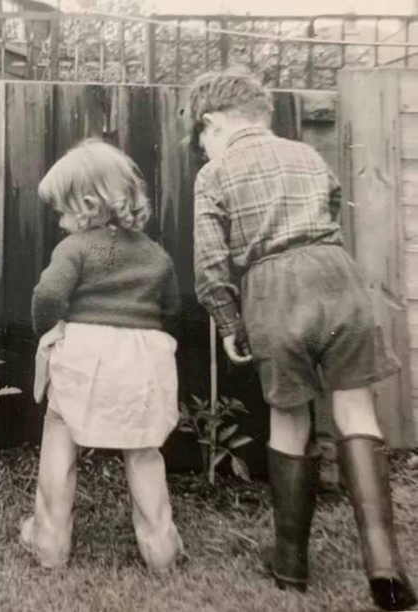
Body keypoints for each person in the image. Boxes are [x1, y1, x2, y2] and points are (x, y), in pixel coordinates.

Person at [189, 69, 416, 611]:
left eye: (201, 136)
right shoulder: (307, 156)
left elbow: (210, 263)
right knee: (358, 412)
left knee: (289, 416)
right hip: (338, 276)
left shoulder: (215, 172)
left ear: (212, 123)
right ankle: (385, 565)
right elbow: (332, 209)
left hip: (273, 288)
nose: (201, 146)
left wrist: (229, 323)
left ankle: (290, 565)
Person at [19, 139, 184, 571]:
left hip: (85, 355)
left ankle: (50, 541)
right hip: (143, 359)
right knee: (144, 448)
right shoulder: (156, 255)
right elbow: (172, 308)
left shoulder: (75, 249)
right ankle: (160, 547)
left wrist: (47, 327)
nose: (59, 222)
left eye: (61, 210)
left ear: (87, 204)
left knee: (60, 438)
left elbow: (49, 295)